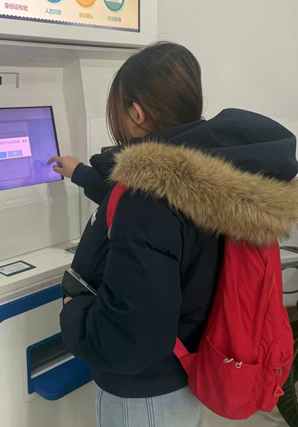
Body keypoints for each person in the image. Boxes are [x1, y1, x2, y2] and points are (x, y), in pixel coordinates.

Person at [48, 42, 298, 427]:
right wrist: (81, 173)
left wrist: (73, 311)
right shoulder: (214, 175)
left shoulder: (147, 200)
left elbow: (131, 339)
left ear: (137, 112)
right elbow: (163, 218)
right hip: (185, 374)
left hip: (143, 397)